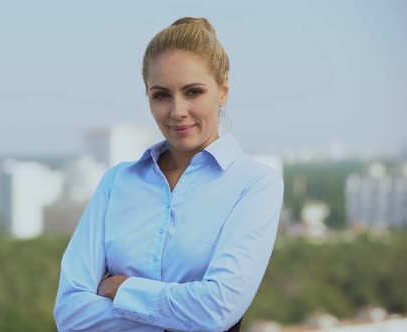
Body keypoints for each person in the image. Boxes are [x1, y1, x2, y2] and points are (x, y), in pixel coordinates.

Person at [54, 17, 284, 332]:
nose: (177, 111)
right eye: (161, 95)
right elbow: (70, 314)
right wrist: (181, 316)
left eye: (193, 92)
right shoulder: (117, 183)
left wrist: (122, 289)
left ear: (224, 91)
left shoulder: (255, 184)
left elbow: (217, 308)